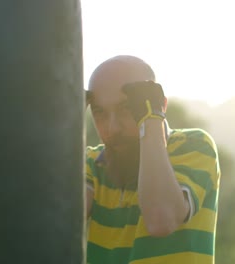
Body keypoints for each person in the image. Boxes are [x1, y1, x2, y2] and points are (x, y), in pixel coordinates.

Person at [85, 55, 221, 264]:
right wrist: (63, 123)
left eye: (126, 109)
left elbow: (161, 219)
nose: (112, 128)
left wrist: (151, 119)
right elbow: (52, 225)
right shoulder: (92, 162)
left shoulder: (194, 146)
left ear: (160, 106)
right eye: (99, 112)